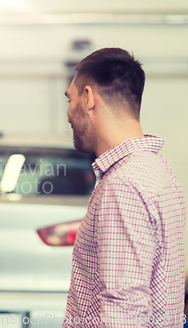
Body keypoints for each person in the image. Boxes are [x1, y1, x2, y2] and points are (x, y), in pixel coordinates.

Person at [64, 48, 185, 326]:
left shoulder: (124, 185)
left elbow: (124, 312)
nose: (69, 113)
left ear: (89, 98)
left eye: (70, 100)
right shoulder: (159, 169)